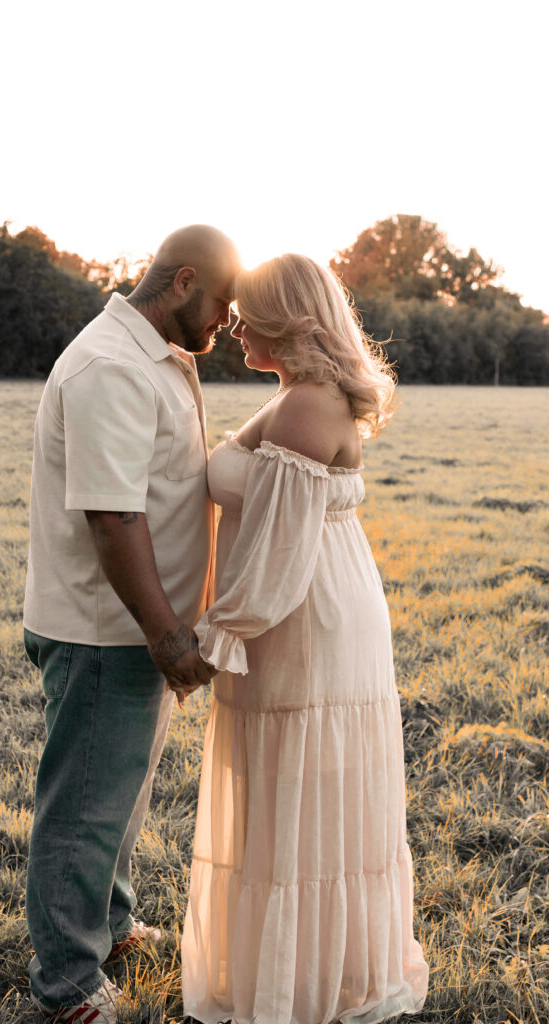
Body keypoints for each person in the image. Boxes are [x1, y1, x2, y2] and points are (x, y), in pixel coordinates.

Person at [181, 254, 429, 1024]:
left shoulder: (304, 405)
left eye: (246, 312)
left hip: (301, 612)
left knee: (299, 790)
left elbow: (279, 550)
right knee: (293, 790)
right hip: (318, 599)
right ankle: (294, 968)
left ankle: (297, 986)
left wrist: (218, 633)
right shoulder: (298, 394)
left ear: (285, 321)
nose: (233, 324)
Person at [23, 224, 240, 1022]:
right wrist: (166, 633)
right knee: (83, 804)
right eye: (222, 303)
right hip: (104, 630)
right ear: (183, 282)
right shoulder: (112, 365)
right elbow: (114, 518)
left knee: (116, 793)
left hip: (132, 631)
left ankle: (108, 927)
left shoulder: (156, 352)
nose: (226, 322)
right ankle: (69, 984)